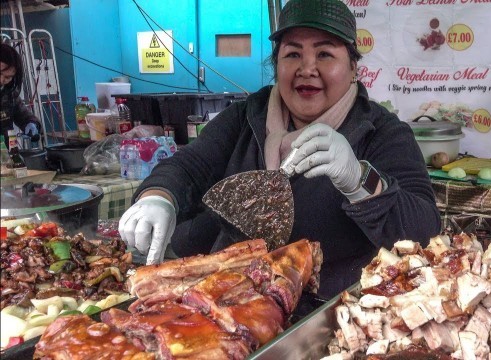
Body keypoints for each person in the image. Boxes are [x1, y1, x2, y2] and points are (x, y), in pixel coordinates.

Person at [119, 0, 441, 299]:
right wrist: (159, 197)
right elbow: (190, 166)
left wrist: (360, 180)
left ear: (354, 67)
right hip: (228, 301)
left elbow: (424, 231)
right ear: (276, 64)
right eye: (292, 54)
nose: (307, 68)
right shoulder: (247, 116)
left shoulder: (383, 132)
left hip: (328, 311)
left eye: (325, 54)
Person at [0, 43, 41, 148]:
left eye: (8, 77)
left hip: (6, 154)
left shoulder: (9, 93)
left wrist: (31, 123)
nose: (1, 80)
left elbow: (22, 114)